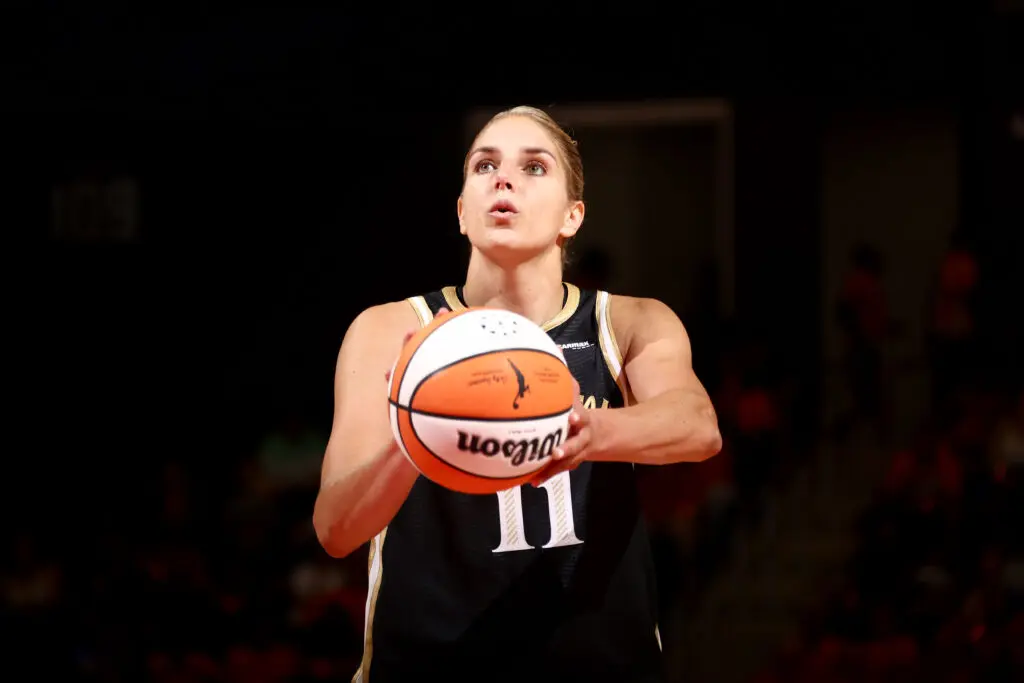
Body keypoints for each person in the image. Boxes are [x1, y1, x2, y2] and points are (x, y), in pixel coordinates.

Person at [313, 106, 722, 683]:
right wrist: (415, 436)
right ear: (461, 212)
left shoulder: (627, 322)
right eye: (485, 166)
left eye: (534, 167)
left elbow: (698, 426)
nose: (503, 178)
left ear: (572, 215)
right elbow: (335, 530)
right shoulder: (389, 331)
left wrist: (585, 432)